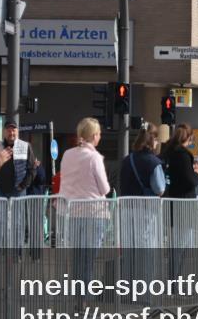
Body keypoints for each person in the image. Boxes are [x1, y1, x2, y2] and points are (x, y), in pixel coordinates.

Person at [59, 118, 112, 281]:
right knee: (88, 257)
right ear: (94, 135)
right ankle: (84, 295)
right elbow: (105, 188)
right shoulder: (94, 157)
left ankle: (77, 292)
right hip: (93, 212)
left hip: (71, 211)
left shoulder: (67, 154)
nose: (100, 137)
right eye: (99, 134)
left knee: (77, 256)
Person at [119, 122, 165, 196]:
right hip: (147, 205)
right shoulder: (154, 162)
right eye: (156, 139)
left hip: (126, 205)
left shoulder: (127, 160)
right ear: (151, 140)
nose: (157, 143)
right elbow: (159, 189)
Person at [161, 124, 198, 199]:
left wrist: (191, 168)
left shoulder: (169, 151)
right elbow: (190, 181)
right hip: (184, 201)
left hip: (170, 196)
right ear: (189, 137)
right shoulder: (183, 155)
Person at [0, 119, 34, 199]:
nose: (11, 133)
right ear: (4, 132)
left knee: (17, 212)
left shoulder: (26, 146)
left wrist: (23, 185)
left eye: (13, 130)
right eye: (8, 130)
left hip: (18, 191)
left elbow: (32, 168)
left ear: (17, 131)